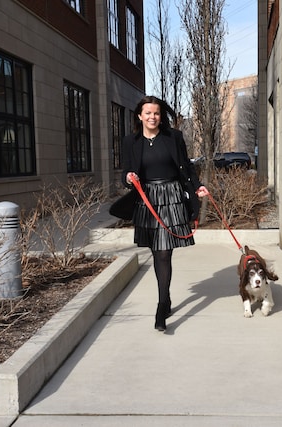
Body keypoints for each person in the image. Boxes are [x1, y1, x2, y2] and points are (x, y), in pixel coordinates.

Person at [121, 95, 208, 332]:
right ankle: (166, 296)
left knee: (163, 254)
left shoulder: (173, 137)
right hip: (147, 200)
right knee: (155, 249)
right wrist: (129, 178)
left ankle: (161, 307)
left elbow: (186, 167)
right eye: (148, 113)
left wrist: (197, 185)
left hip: (171, 196)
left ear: (161, 116)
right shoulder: (131, 141)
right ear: (140, 116)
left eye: (156, 113)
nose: (152, 117)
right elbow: (126, 170)